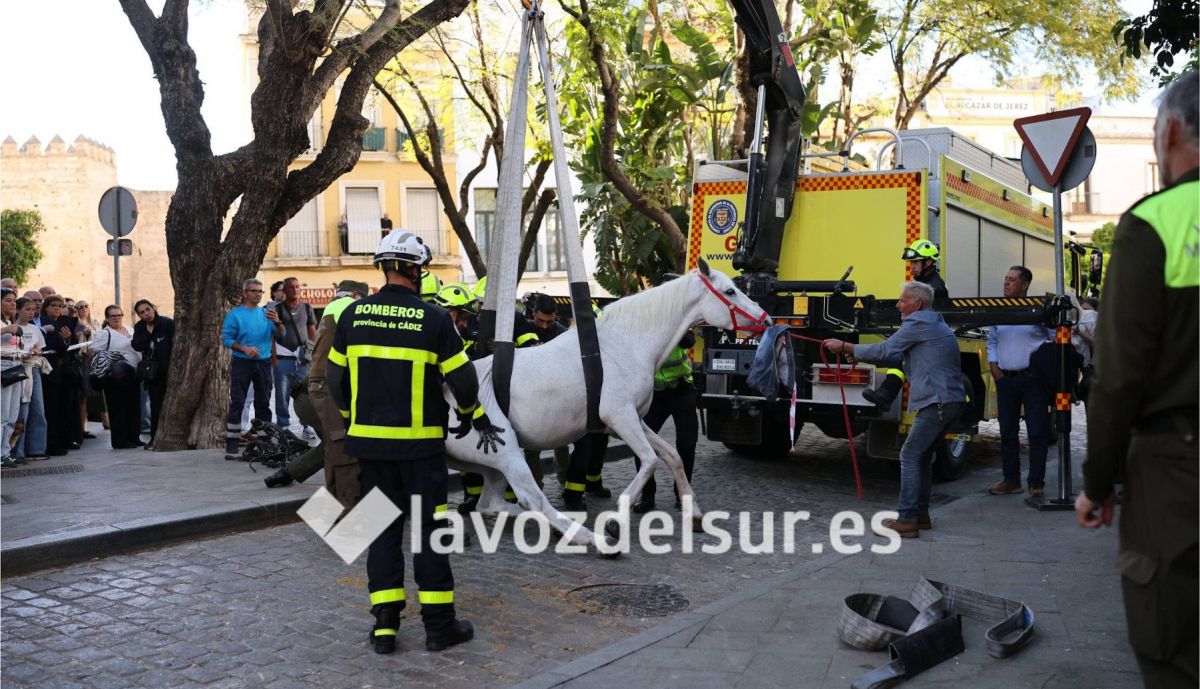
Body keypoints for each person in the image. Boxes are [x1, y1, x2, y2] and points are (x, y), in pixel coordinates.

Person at [1076, 71, 1198, 689]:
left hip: (1179, 474)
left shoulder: (1156, 223)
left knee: (1173, 647)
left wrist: (1099, 483)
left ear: (1171, 131)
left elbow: (1118, 378)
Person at [327, 231, 502, 655]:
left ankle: (385, 628)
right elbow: (462, 380)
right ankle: (439, 628)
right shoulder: (435, 319)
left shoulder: (352, 315)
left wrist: (354, 421)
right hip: (421, 451)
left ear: (384, 268)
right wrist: (473, 417)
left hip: (371, 450)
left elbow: (335, 380)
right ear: (412, 269)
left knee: (381, 533)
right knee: (429, 534)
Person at [823, 281, 967, 537]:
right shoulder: (932, 322)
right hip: (948, 401)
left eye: (902, 301)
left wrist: (846, 347)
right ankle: (920, 516)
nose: (898, 305)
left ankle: (908, 520)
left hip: (939, 402)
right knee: (921, 456)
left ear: (917, 304)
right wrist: (859, 354)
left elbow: (885, 349)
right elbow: (898, 357)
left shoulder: (918, 322)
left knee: (910, 455)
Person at [263, 279, 368, 498]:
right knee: (343, 449)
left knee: (332, 445)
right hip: (325, 392)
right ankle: (345, 511)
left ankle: (289, 476)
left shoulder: (333, 307)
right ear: (357, 294)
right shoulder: (349, 306)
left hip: (310, 394)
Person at [986, 266, 1052, 497]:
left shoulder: (1038, 310)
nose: (1006, 283)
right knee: (1008, 433)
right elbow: (992, 340)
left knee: (1036, 433)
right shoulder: (998, 309)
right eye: (1005, 279)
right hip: (1006, 379)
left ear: (1025, 285)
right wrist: (994, 368)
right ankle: (1011, 480)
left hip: (1033, 380)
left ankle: (1036, 483)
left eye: (1012, 280)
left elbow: (1055, 338)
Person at [863, 240, 951, 410]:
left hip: (928, 336)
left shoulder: (934, 287)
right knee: (898, 359)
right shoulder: (924, 283)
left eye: (916, 262)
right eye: (911, 262)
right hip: (925, 334)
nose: (912, 266)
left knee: (897, 354)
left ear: (928, 262)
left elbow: (922, 319)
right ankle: (885, 395)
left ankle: (886, 395)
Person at [632, 331, 699, 513]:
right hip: (654, 394)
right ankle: (647, 497)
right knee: (641, 444)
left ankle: (682, 494)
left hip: (682, 388)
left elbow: (689, 341)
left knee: (687, 444)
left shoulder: (671, 318)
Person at [221, 278, 282, 458]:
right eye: (254, 291)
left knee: (263, 402)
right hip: (242, 362)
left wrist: (278, 322)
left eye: (260, 291)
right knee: (238, 401)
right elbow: (227, 339)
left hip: (263, 362)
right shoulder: (234, 315)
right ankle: (232, 441)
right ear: (245, 293)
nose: (258, 294)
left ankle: (265, 441)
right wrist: (244, 348)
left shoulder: (266, 313)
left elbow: (281, 335)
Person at [272, 277, 318, 438]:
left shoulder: (307, 308)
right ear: (284, 291)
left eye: (298, 286)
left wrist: (313, 354)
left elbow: (313, 331)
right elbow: (272, 335)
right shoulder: (278, 309)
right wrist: (274, 359)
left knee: (306, 394)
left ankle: (307, 425)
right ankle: (283, 426)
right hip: (282, 359)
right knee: (282, 394)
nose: (295, 289)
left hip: (303, 360)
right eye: (291, 287)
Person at [91, 306, 142, 449]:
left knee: (133, 407)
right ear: (107, 318)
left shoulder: (130, 329)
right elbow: (95, 352)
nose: (116, 318)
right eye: (113, 316)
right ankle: (120, 441)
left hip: (133, 374)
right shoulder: (105, 333)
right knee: (118, 409)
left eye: (119, 315)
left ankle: (134, 437)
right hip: (115, 377)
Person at [39, 295, 81, 456]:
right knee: (51, 409)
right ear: (46, 307)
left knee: (65, 407)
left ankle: (66, 439)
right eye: (53, 305)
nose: (57, 308)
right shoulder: (41, 322)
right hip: (49, 371)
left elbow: (72, 345)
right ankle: (51, 443)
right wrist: (62, 342)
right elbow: (47, 345)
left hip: (65, 372)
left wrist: (67, 339)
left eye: (60, 306)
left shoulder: (66, 322)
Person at [131, 299, 175, 449]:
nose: (146, 314)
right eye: (142, 312)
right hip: (153, 373)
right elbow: (136, 345)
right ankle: (154, 437)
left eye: (147, 310)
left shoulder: (166, 323)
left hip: (170, 369)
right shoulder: (140, 327)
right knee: (156, 406)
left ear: (153, 308)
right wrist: (149, 335)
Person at [11, 297, 46, 463]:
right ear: (18, 310)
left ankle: (37, 448)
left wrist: (36, 351)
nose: (31, 312)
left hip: (34, 369)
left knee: (38, 409)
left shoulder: (34, 329)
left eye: (33, 309)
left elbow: (41, 347)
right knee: (20, 411)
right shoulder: (11, 328)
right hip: (18, 370)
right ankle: (17, 450)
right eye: (27, 309)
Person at [2, 288, 23, 467]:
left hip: (16, 365)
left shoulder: (11, 321)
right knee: (2, 413)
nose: (13, 304)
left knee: (12, 413)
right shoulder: (6, 324)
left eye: (14, 300)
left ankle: (5, 451)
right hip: (2, 365)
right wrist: (6, 330)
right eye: (8, 300)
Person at [74, 301, 99, 440]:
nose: (84, 309)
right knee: (81, 395)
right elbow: (76, 340)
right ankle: (81, 428)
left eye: (86, 306)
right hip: (81, 360)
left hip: (92, 360)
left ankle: (84, 427)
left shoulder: (94, 322)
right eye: (80, 306)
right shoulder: (76, 323)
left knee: (86, 396)